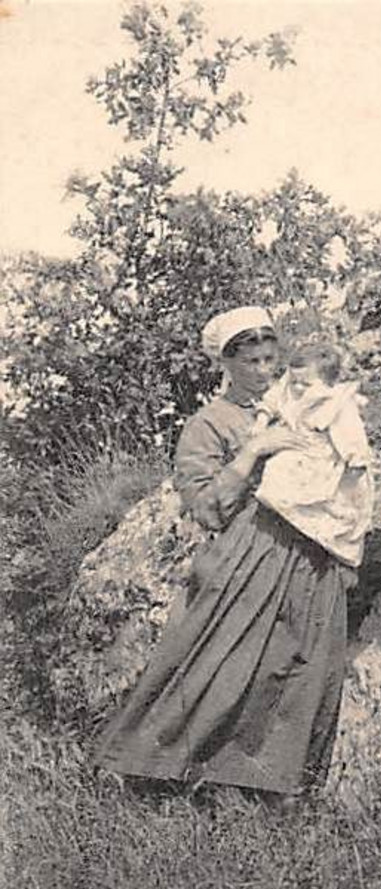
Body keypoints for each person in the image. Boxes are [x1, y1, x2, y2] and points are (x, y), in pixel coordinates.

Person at [95, 306, 353, 799]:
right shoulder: (209, 424)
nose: (263, 371)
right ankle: (163, 782)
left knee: (303, 678)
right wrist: (254, 450)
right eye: (250, 362)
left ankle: (270, 796)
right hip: (247, 560)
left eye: (269, 360)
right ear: (226, 365)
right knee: (225, 676)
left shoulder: (305, 402)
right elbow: (207, 510)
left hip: (313, 560)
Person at [254, 343, 374, 569]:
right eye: (294, 381)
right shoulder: (291, 386)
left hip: (322, 457)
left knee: (325, 499)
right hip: (299, 447)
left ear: (327, 384)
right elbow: (274, 398)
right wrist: (262, 419)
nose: (297, 388)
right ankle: (287, 518)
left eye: (305, 384)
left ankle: (311, 529)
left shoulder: (336, 405)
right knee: (277, 469)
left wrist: (355, 462)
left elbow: (352, 437)